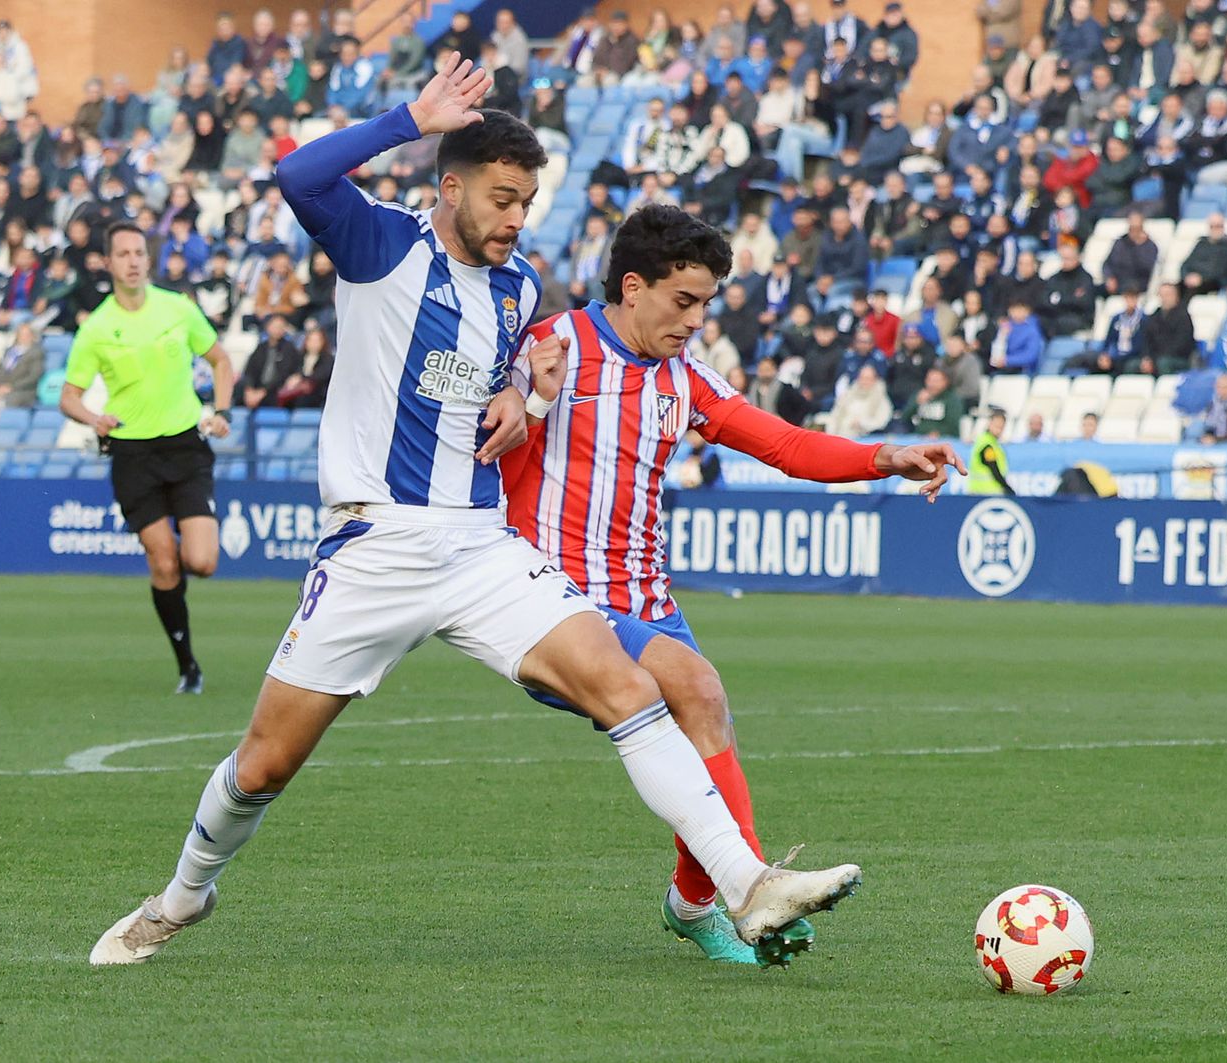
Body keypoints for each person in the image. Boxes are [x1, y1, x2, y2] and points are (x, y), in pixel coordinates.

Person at [90, 59, 860, 969]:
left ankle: (745, 885)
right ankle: (183, 897)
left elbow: (493, 401)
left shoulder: (516, 288)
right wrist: (408, 118)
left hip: (481, 546)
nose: (514, 218)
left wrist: (524, 405)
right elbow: (296, 174)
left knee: (633, 687)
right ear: (450, 186)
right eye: (501, 198)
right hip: (375, 546)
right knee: (262, 768)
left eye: (527, 201)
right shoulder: (381, 244)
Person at [501, 204, 955, 965]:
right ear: (633, 286)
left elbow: (782, 443)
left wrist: (884, 457)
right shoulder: (552, 348)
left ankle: (693, 900)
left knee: (704, 723)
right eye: (684, 302)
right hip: (554, 598)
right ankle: (751, 893)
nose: (696, 319)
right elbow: (496, 454)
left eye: (707, 304)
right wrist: (537, 403)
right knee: (699, 689)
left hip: (647, 603)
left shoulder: (687, 380)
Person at [60, 222, 234, 695]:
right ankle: (188, 667)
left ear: (147, 260)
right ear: (108, 262)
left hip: (184, 445)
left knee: (201, 561)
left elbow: (221, 360)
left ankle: (177, 578)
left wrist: (220, 411)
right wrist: (93, 418)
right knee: (163, 563)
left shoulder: (178, 308)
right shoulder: (96, 327)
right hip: (133, 453)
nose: (133, 260)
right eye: (123, 254)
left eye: (139, 252)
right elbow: (69, 396)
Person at [967, 407, 1014, 495]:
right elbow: (993, 467)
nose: (998, 430)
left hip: (986, 492)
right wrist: (1007, 487)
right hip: (983, 492)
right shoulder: (986, 444)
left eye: (1001, 427)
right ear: (989, 423)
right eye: (996, 426)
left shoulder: (992, 442)